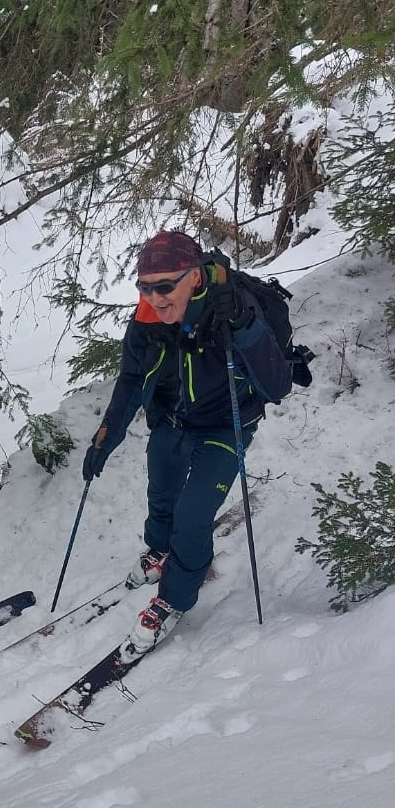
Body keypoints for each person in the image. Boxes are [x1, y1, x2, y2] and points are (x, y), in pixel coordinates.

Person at [81, 230, 292, 656]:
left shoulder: (234, 308)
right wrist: (106, 438)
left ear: (194, 277)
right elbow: (129, 380)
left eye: (164, 285)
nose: (155, 298)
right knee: (160, 487)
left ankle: (175, 597)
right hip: (173, 419)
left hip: (225, 426)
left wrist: (246, 328)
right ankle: (159, 550)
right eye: (144, 286)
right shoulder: (146, 319)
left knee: (193, 513)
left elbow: (277, 386)